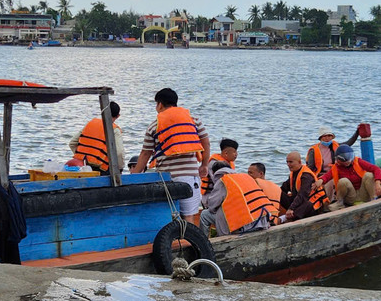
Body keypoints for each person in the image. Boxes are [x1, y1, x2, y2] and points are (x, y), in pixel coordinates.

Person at [132, 87, 210, 225]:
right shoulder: (194, 120)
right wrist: (204, 165)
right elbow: (206, 144)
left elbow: (145, 153)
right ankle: (191, 244)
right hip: (189, 177)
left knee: (167, 217)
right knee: (189, 218)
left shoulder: (154, 126)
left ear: (160, 104)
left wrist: (135, 176)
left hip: (165, 178)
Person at [200, 164, 277, 236]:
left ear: (214, 173)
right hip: (261, 222)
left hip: (242, 228)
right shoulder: (246, 178)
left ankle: (203, 242)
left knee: (204, 215)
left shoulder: (223, 180)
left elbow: (212, 205)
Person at [320, 144, 381, 208]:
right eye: (344, 160)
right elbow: (327, 176)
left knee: (369, 175)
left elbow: (376, 169)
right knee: (343, 181)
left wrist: (378, 183)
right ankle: (340, 202)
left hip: (363, 193)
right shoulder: (336, 167)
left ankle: (374, 199)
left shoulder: (357, 161)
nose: (348, 161)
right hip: (350, 197)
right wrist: (320, 180)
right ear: (338, 159)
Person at [69, 101, 123, 172]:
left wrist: (81, 156)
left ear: (102, 111)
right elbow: (119, 153)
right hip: (100, 168)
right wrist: (119, 168)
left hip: (82, 165)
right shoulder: (115, 129)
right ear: (118, 116)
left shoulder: (91, 124)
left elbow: (72, 143)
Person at [279, 151, 327, 222]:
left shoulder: (306, 176)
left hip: (313, 205)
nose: (288, 164)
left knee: (307, 204)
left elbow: (302, 195)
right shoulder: (293, 173)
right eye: (287, 162)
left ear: (299, 162)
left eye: (291, 162)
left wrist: (291, 208)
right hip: (299, 203)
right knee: (278, 192)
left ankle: (285, 218)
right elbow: (284, 187)